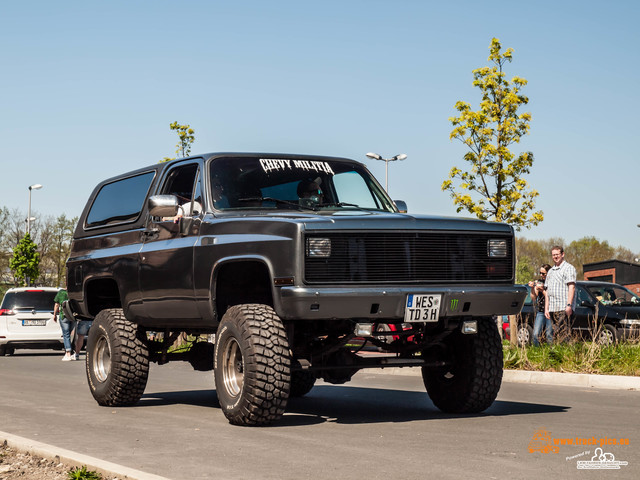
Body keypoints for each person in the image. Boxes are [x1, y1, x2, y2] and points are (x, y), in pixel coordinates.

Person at [544, 246, 577, 342]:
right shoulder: (550, 271)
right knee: (557, 335)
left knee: (564, 335)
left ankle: (567, 355)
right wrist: (546, 308)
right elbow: (547, 292)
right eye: (553, 255)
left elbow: (572, 287)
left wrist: (569, 305)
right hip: (553, 308)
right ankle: (559, 354)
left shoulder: (569, 268)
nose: (555, 257)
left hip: (563, 307)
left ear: (562, 254)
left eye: (557, 254)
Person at [528, 264, 552, 345]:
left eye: (543, 273)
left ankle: (551, 352)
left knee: (549, 334)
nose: (541, 275)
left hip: (550, 310)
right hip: (541, 310)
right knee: (535, 334)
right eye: (540, 273)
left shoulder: (552, 282)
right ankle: (536, 352)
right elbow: (533, 297)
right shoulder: (539, 282)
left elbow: (550, 296)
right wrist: (532, 288)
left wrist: (543, 290)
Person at [53, 288, 73, 361]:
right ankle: (75, 353)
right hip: (73, 316)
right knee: (72, 334)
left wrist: (54, 315)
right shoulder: (74, 292)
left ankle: (68, 353)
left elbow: (56, 304)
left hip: (64, 315)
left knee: (66, 334)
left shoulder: (61, 293)